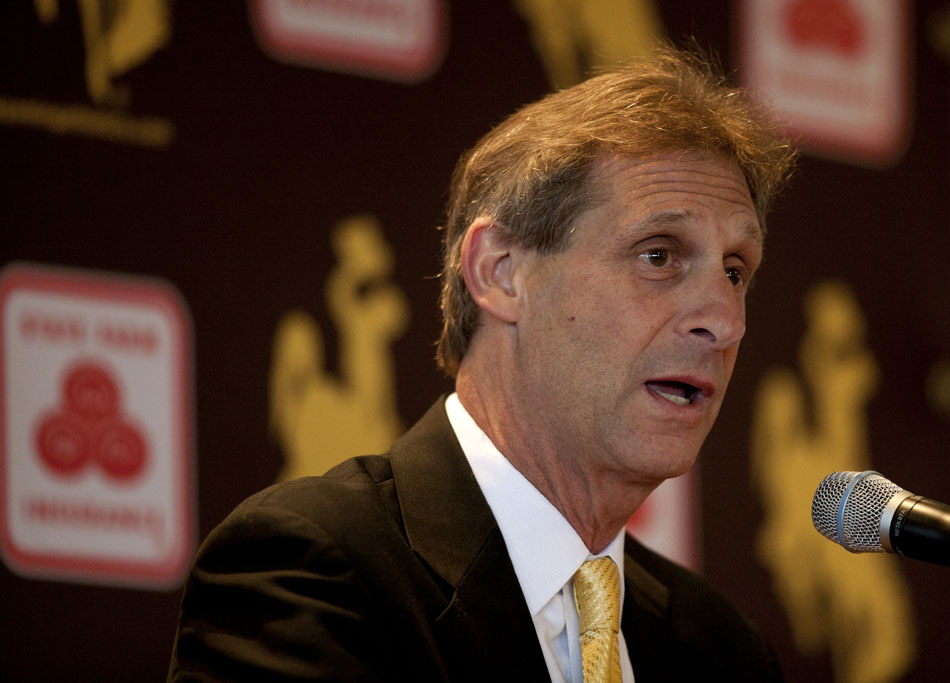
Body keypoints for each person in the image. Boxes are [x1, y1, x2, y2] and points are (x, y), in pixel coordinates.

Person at [168, 46, 797, 682]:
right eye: (658, 255)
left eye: (736, 271)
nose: (725, 320)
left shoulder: (725, 653)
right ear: (500, 273)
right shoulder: (314, 575)